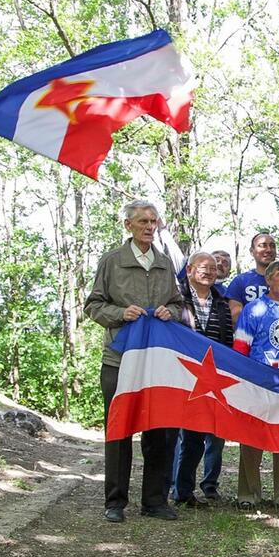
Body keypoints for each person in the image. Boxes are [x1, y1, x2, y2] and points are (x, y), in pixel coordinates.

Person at [85, 199, 183, 523]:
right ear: (128, 225)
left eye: (153, 221)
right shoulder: (112, 261)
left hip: (157, 362)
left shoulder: (165, 262)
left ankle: (155, 501)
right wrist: (120, 314)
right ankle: (115, 502)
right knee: (119, 429)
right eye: (143, 221)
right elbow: (94, 305)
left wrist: (173, 311)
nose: (149, 227)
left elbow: (179, 303)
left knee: (160, 430)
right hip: (119, 359)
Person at [225, 233, 279, 508]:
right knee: (251, 438)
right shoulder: (253, 310)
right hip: (255, 380)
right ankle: (248, 495)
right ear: (268, 280)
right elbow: (241, 345)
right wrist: (241, 376)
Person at [169, 251, 234, 508]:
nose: (208, 272)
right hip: (180, 374)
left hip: (210, 379)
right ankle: (173, 489)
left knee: (197, 437)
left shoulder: (221, 302)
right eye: (202, 267)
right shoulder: (176, 299)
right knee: (174, 436)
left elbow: (227, 341)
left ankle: (186, 492)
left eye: (212, 268)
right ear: (190, 270)